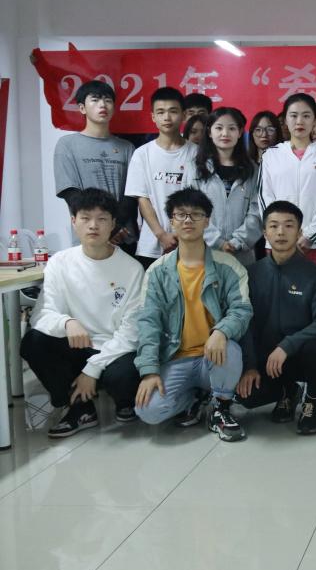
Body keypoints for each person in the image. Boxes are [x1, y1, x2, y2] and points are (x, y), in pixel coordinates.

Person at [21, 188, 144, 438]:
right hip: (77, 344)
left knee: (125, 376)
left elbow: (132, 330)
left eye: (102, 219)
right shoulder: (60, 262)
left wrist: (92, 370)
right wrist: (66, 322)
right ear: (73, 221)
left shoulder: (132, 269)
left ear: (113, 224)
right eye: (85, 218)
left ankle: (123, 401)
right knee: (33, 342)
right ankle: (79, 408)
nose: (93, 226)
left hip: (114, 350)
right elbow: (42, 314)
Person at [133, 188, 252, 442]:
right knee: (148, 411)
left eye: (196, 214)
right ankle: (195, 399)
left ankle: (220, 407)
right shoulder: (157, 272)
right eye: (181, 215)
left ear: (207, 221)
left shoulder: (228, 265)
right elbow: (148, 323)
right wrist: (149, 370)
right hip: (176, 358)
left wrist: (221, 331)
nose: (188, 220)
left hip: (214, 356)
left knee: (230, 349)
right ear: (172, 221)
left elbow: (241, 310)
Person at [237, 200, 316, 435]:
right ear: (264, 233)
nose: (281, 232)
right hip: (267, 359)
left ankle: (312, 402)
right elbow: (245, 324)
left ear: (299, 232)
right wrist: (250, 366)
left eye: (289, 226)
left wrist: (287, 345)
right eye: (274, 226)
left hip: (300, 354)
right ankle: (286, 393)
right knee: (247, 396)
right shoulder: (251, 274)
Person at [258, 93, 316, 268]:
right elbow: (264, 197)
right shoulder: (271, 155)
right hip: (279, 242)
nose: (299, 121)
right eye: (294, 115)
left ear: (314, 120)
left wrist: (310, 236)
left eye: (306, 116)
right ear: (285, 120)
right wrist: (279, 231)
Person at [52, 79, 137, 250]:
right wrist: (101, 226)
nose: (102, 105)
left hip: (122, 236)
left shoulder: (127, 147)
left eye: (108, 100)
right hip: (88, 235)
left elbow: (133, 194)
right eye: (95, 99)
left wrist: (114, 226)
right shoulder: (67, 144)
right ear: (82, 108)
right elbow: (71, 193)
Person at [125, 87, 198, 268]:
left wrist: (182, 234)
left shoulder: (197, 153)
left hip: (190, 243)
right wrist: (161, 235)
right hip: (151, 245)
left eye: (173, 111)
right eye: (160, 112)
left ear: (183, 115)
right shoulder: (142, 154)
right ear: (153, 117)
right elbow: (142, 199)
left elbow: (199, 199)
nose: (167, 117)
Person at [185, 107, 262, 266]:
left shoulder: (252, 169)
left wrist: (237, 241)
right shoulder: (195, 167)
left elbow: (257, 210)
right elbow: (190, 209)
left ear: (240, 132)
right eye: (219, 128)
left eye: (232, 128)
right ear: (209, 132)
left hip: (241, 253)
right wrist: (217, 241)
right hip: (204, 250)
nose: (225, 133)